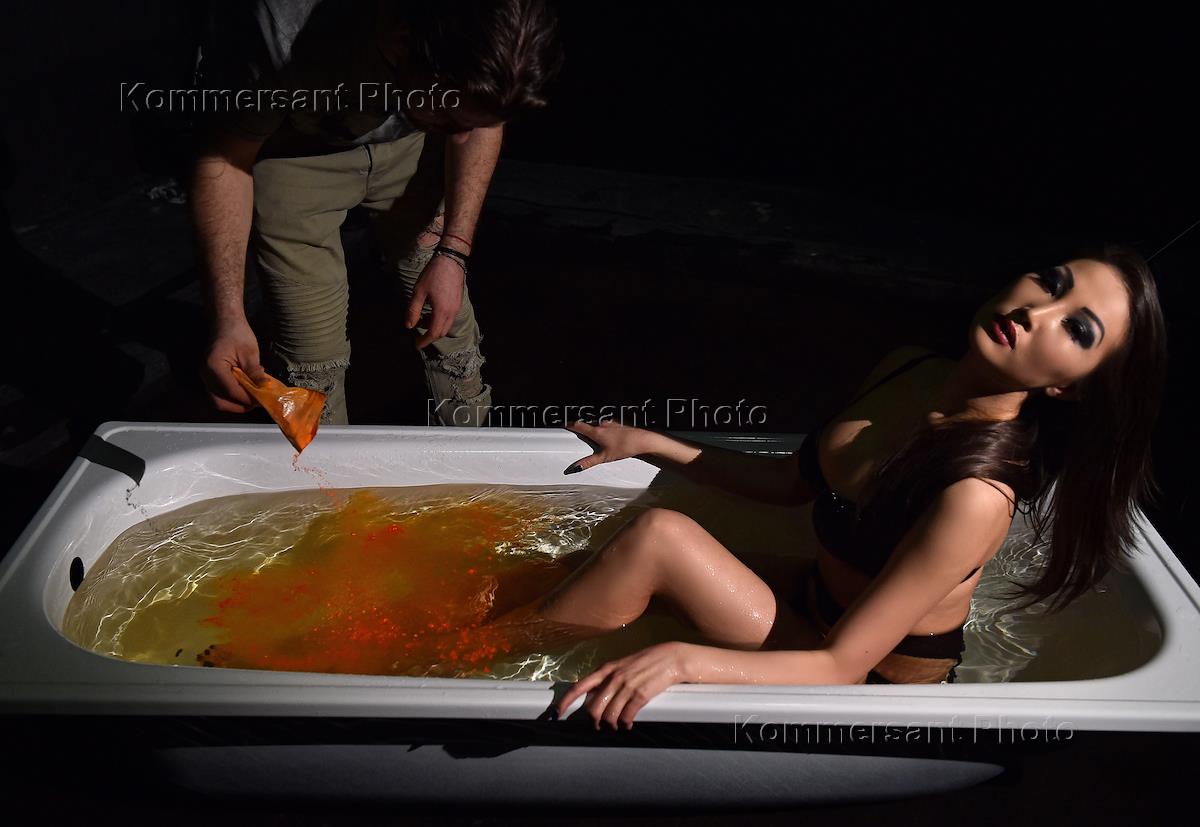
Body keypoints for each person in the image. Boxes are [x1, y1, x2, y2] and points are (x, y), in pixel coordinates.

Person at [534, 244, 1167, 729]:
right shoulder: (910, 368)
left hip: (870, 687)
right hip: (813, 605)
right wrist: (654, 445)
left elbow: (841, 668)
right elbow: (790, 482)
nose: (1037, 312)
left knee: (656, 540)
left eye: (1077, 329)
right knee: (576, 565)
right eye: (1051, 283)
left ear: (1070, 388)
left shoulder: (976, 494)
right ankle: (510, 646)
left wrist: (681, 660)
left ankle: (498, 668)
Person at [192, 0, 562, 425]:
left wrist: (453, 252)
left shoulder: (483, 40)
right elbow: (223, 161)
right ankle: (325, 461)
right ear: (401, 39)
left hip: (410, 143)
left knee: (451, 333)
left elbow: (482, 116)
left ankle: (467, 451)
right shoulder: (279, 30)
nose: (463, 138)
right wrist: (227, 318)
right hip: (293, 148)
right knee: (313, 370)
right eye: (451, 116)